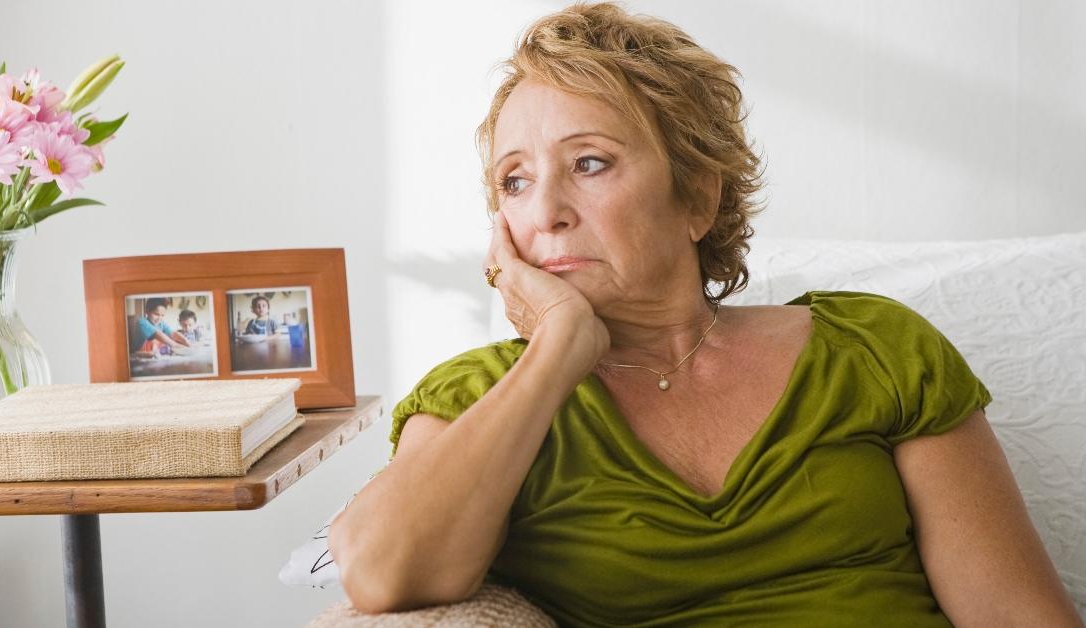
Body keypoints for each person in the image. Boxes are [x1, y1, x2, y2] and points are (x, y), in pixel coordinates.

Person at [329, 3, 1084, 626]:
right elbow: (383, 577)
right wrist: (557, 349)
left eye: (589, 163)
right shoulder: (479, 400)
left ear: (698, 197)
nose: (548, 213)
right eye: (515, 181)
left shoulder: (875, 349)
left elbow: (1018, 616)